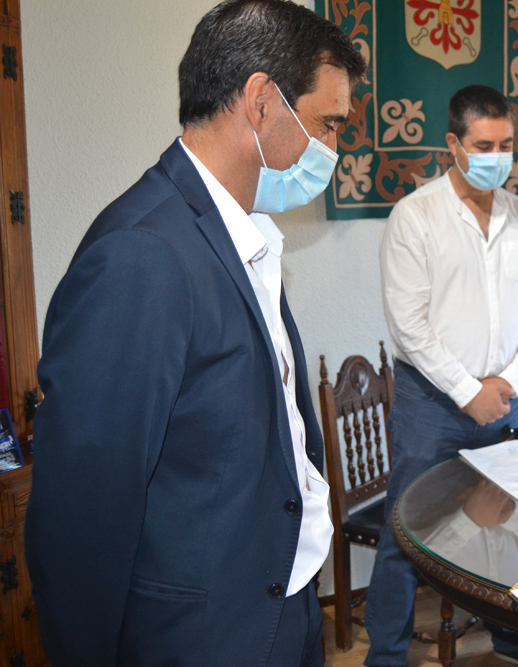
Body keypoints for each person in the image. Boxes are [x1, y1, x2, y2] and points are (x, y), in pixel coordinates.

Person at [24, 2, 366, 665]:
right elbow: (82, 515)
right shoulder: (142, 255)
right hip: (202, 636)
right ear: (262, 102)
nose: (332, 148)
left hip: (281, 601)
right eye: (327, 124)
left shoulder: (245, 234)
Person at [369, 84, 518, 667]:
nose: (497, 157)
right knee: (407, 530)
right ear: (452, 144)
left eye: (506, 145)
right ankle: (387, 656)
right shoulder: (415, 216)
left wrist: (507, 381)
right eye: (483, 145)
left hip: (505, 399)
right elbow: (409, 326)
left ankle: (513, 636)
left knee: (504, 523)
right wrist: (467, 390)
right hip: (432, 404)